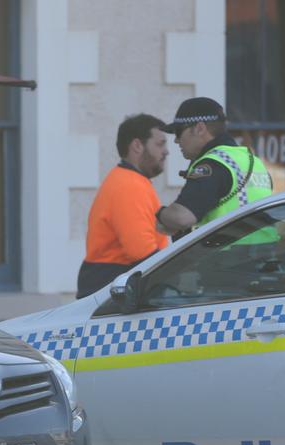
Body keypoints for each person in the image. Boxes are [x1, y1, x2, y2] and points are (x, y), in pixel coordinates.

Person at [76, 113, 169, 299]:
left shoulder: (129, 181)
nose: (166, 151)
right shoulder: (129, 186)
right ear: (137, 145)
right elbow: (142, 252)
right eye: (160, 144)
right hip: (114, 288)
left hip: (109, 283)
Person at [156, 97, 273, 237]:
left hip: (229, 255)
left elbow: (182, 217)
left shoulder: (213, 165)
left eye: (178, 132)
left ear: (199, 129)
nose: (176, 140)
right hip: (264, 254)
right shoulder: (252, 161)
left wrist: (160, 214)